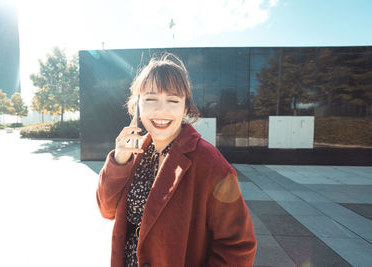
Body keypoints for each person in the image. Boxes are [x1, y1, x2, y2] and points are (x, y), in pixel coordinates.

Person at [96, 53, 257, 267]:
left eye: (173, 100)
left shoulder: (209, 162)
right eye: (150, 99)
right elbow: (106, 210)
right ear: (137, 106)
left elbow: (239, 245)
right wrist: (119, 161)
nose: (161, 110)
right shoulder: (135, 152)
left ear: (185, 108)